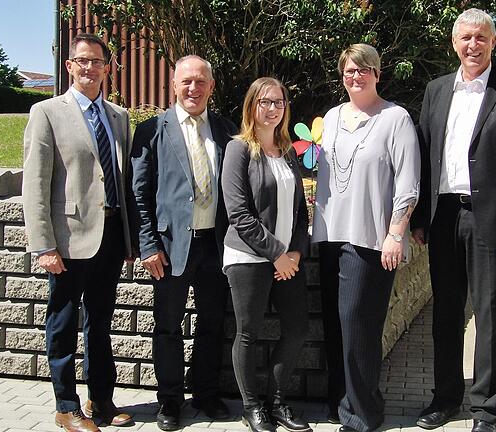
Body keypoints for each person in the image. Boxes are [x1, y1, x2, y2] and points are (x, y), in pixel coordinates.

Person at [411, 8, 496, 432]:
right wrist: (417, 218)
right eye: (466, 37)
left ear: (492, 43)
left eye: (481, 38)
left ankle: (485, 409)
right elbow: (425, 158)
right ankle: (445, 398)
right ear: (454, 42)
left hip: (490, 221)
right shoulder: (436, 90)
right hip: (443, 216)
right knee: (446, 313)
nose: (473, 45)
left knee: (488, 316)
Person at [23, 33, 134, 431]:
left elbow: (122, 180)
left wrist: (128, 238)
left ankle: (101, 400)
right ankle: (66, 406)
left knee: (101, 322)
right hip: (67, 239)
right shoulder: (47, 112)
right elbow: (35, 183)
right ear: (69, 66)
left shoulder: (120, 117)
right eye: (81, 61)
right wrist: (43, 245)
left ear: (108, 68)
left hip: (109, 238)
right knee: (64, 321)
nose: (89, 68)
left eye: (97, 61)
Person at [313, 43, 421, 432]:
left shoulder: (396, 119)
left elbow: (409, 183)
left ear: (377, 73)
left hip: (372, 239)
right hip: (329, 235)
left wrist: (396, 233)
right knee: (336, 324)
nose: (355, 77)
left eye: (363, 70)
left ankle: (363, 415)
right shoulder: (331, 117)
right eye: (349, 71)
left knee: (359, 324)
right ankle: (340, 402)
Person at [130, 55, 237, 431]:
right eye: (186, 81)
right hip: (170, 247)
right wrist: (148, 245)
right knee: (168, 327)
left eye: (201, 82)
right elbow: (139, 193)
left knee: (211, 324)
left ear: (211, 86)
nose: (194, 88)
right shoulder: (151, 130)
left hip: (216, 246)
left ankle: (206, 394)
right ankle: (170, 401)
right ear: (173, 85)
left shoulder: (226, 130)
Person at [221, 77, 311, 432]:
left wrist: (297, 254)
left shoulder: (288, 150)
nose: (272, 108)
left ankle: (276, 402)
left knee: (298, 330)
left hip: (288, 259)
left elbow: (301, 210)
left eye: (278, 102)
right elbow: (238, 214)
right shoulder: (238, 149)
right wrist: (277, 254)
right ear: (251, 107)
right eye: (265, 102)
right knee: (248, 333)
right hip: (249, 257)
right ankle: (252, 407)